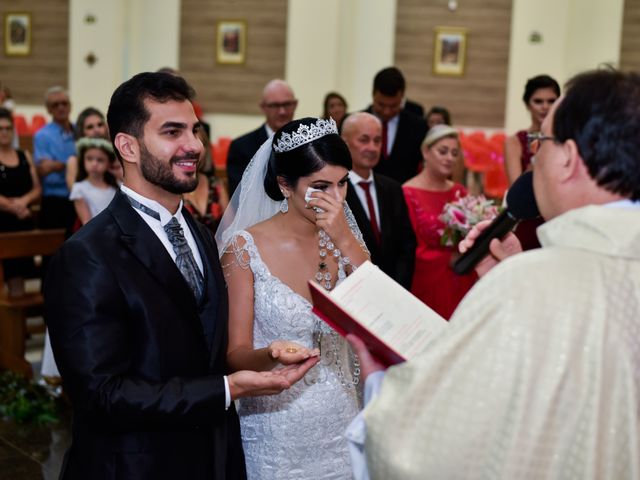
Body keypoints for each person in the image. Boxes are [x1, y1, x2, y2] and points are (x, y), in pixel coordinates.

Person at [349, 68, 640, 479]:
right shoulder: (532, 278)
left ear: (570, 159)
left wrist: (379, 386)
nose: (533, 156)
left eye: (541, 141)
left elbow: (428, 450)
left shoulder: (526, 287)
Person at [44, 71, 318, 480]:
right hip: (135, 465)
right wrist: (229, 390)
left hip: (211, 457)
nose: (194, 145)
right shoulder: (87, 256)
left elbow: (206, 344)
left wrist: (265, 358)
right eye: (172, 132)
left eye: (194, 130)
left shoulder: (201, 235)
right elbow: (102, 395)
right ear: (127, 146)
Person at [216, 117, 370, 479]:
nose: (335, 198)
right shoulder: (244, 249)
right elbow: (233, 355)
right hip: (278, 428)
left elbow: (380, 314)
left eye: (342, 183)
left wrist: (346, 240)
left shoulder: (347, 244)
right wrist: (270, 354)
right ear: (285, 185)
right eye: (320, 186)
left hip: (342, 417)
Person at [402, 124, 477, 319]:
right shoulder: (407, 193)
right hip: (427, 284)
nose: (449, 158)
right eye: (443, 151)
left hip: (462, 279)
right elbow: (408, 248)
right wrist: (447, 259)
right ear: (426, 152)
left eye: (454, 153)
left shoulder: (459, 192)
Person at [342, 112, 416, 289]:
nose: (372, 147)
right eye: (364, 140)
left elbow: (407, 244)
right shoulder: (336, 189)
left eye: (377, 140)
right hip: (352, 289)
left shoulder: (393, 188)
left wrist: (397, 287)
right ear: (344, 142)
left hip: (393, 289)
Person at [504, 74, 561, 251]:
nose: (545, 107)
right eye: (538, 101)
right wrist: (536, 160)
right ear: (528, 104)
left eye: (551, 101)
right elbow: (517, 188)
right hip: (528, 219)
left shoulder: (564, 141)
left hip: (558, 218)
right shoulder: (515, 141)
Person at [226, 79, 298, 196]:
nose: (282, 111)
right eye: (275, 105)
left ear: (295, 105)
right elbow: (239, 196)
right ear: (263, 107)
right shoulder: (241, 147)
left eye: (286, 104)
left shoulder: (309, 144)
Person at [0, 107, 41, 296]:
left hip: (22, 222)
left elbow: (37, 188)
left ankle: (17, 324)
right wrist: (14, 207)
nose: (5, 132)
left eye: (8, 128)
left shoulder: (24, 155)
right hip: (3, 224)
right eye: (0, 128)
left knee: (19, 278)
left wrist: (23, 202)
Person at [365, 67, 427, 184]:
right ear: (373, 94)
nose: (386, 111)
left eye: (393, 106)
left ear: (402, 98)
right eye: (381, 105)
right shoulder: (354, 124)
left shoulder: (419, 126)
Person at [33, 86, 76, 232]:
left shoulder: (79, 130)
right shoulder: (42, 135)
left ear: (70, 106)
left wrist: (58, 164)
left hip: (78, 197)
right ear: (48, 109)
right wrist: (72, 165)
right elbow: (44, 169)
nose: (61, 107)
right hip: (54, 201)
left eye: (64, 103)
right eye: (55, 105)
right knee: (52, 250)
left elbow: (52, 166)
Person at [183, 129, 229, 234]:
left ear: (206, 149)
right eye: (187, 144)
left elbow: (230, 229)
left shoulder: (215, 184)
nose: (194, 150)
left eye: (200, 143)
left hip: (218, 248)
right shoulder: (170, 186)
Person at [65, 107, 109, 190]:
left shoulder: (114, 156)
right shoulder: (74, 161)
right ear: (81, 132)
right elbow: (75, 194)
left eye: (100, 125)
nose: (96, 130)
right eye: (90, 127)